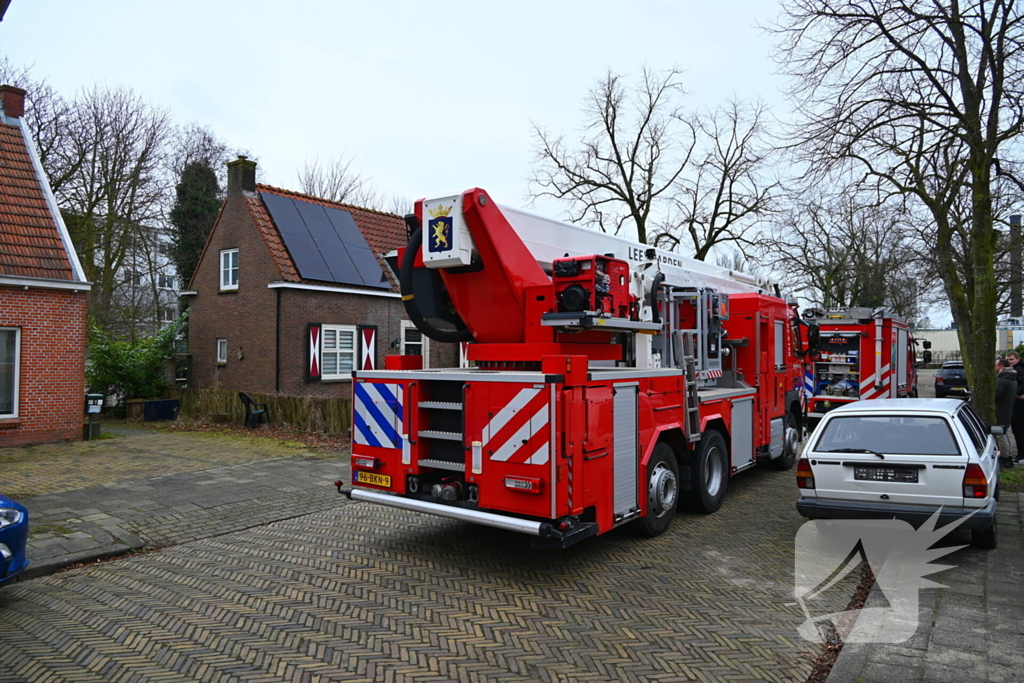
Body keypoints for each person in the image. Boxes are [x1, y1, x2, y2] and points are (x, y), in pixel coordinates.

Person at [995, 359, 1017, 467]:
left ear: (1001, 366)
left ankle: (1004, 456)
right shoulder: (1012, 379)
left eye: (996, 366)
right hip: (1008, 409)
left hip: (1000, 410)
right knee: (1008, 432)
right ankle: (1010, 455)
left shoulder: (1001, 380)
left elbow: (996, 395)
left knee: (1001, 434)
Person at [1007, 351, 1024, 461]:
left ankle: (1021, 455)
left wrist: (1017, 393)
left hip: (1019, 405)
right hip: (1017, 404)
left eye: (1011, 359)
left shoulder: (1019, 370)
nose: (1009, 362)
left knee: (1019, 430)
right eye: (1007, 359)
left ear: (1017, 359)